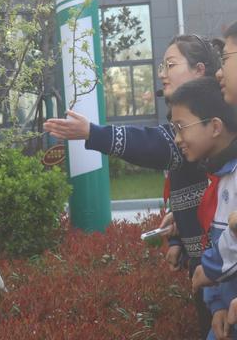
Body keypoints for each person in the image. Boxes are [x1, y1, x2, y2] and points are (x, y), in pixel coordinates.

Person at [44, 34, 222, 339]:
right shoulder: (190, 120)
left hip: (221, 271)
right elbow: (186, 181)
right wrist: (178, 231)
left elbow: (158, 146)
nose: (162, 73)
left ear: (199, 70)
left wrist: (92, 133)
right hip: (204, 269)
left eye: (170, 64)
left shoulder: (210, 119)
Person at [167, 77, 237, 340]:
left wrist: (208, 268)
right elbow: (215, 236)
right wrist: (217, 302)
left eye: (181, 128)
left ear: (215, 126)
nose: (177, 139)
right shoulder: (219, 175)